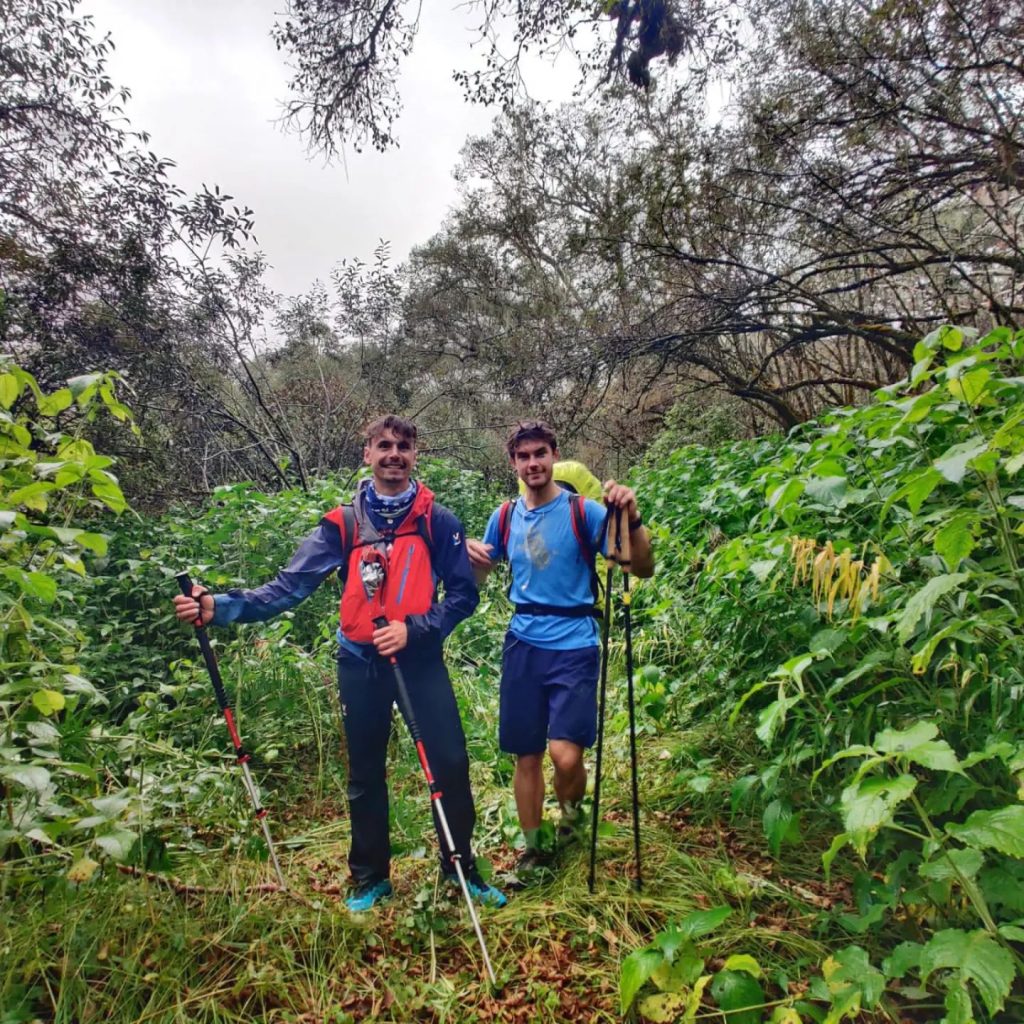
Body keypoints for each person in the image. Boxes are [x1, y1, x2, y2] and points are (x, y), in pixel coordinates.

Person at [173, 415, 506, 911]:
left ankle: (460, 869)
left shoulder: (439, 521)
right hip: (359, 662)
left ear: (416, 455)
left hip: (418, 662)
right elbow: (287, 587)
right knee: (365, 772)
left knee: (451, 763)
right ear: (367, 454)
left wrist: (413, 629)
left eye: (404, 446)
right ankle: (371, 878)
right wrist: (217, 607)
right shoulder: (342, 524)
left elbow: (462, 597)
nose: (394, 455)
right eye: (384, 445)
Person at [467, 420, 654, 878]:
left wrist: (632, 518)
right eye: (524, 456)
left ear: (553, 455)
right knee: (526, 754)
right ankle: (534, 848)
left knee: (566, 756)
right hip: (523, 643)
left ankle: (572, 819)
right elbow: (478, 579)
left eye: (540, 454)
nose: (533, 463)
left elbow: (640, 566)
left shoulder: (583, 512)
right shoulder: (504, 516)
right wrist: (472, 563)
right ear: (513, 463)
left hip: (575, 643)